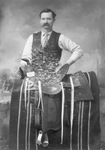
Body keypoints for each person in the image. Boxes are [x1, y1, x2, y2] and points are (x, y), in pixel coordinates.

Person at [20, 8, 83, 147]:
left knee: (52, 99)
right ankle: (39, 130)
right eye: (43, 19)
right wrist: (30, 76)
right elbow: (24, 60)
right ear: (40, 20)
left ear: (53, 20)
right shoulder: (32, 37)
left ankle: (46, 132)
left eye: (48, 19)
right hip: (34, 76)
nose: (45, 22)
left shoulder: (60, 37)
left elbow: (78, 50)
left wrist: (66, 64)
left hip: (53, 77)